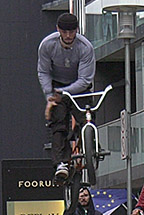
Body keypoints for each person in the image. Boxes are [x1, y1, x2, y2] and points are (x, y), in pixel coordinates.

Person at [38, 12, 95, 183]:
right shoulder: (47, 45)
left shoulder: (85, 47)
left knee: (87, 117)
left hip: (80, 87)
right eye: (65, 32)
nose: (69, 36)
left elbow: (85, 79)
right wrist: (50, 96)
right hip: (57, 87)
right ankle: (61, 163)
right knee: (58, 124)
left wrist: (65, 93)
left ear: (77, 30)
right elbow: (43, 71)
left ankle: (90, 147)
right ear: (58, 30)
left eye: (72, 32)